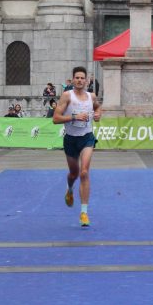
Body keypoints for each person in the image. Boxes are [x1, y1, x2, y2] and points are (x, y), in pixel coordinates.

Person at [52, 66, 102, 227]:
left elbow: (97, 107)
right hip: (71, 140)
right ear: (73, 80)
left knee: (84, 172)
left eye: (82, 78)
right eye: (77, 78)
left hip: (87, 138)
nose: (80, 80)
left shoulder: (91, 96)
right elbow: (55, 119)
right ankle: (69, 189)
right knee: (73, 173)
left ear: (86, 81)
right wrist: (74, 117)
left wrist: (98, 115)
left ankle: (84, 213)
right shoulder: (67, 96)